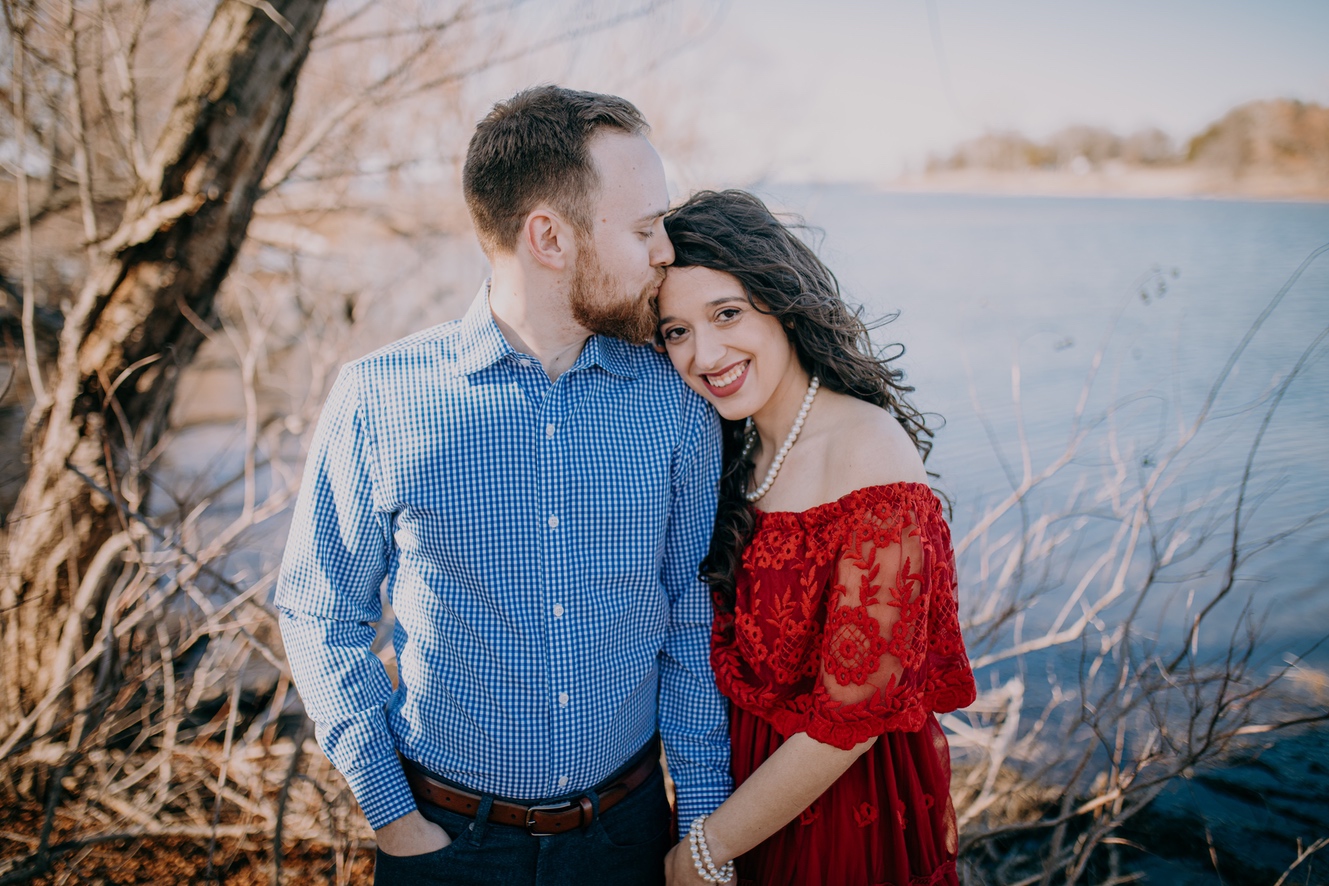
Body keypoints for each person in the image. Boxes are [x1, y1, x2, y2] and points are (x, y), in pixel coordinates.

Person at [275, 86, 732, 886]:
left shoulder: (676, 402)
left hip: (624, 840)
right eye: (642, 229)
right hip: (444, 845)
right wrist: (393, 818)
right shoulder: (380, 398)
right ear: (548, 237)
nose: (666, 251)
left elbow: (689, 621)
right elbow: (321, 613)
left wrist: (700, 830)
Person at [654, 190, 977, 886]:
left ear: (782, 303)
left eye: (727, 314)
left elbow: (853, 719)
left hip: (840, 816)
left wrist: (703, 851)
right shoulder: (731, 449)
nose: (705, 353)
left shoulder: (868, 451)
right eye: (676, 330)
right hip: (744, 795)